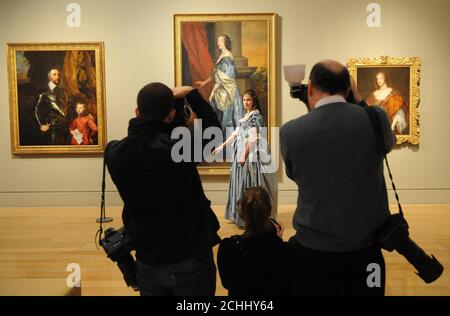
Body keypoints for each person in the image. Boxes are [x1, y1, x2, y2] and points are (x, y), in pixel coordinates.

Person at [280, 60, 396, 296]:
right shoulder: (377, 118)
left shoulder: (291, 131)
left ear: (310, 87)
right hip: (365, 251)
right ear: (349, 88)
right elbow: (386, 144)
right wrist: (361, 100)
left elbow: (295, 173)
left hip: (312, 252)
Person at [105, 83, 221, 296]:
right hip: (191, 256)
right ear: (171, 115)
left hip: (149, 258)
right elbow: (214, 130)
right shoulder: (183, 150)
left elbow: (150, 141)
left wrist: (171, 120)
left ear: (137, 112)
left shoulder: (114, 153)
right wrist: (192, 94)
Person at [213, 89, 278, 228]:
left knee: (249, 181)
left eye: (248, 100)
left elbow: (253, 138)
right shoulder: (246, 116)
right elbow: (236, 133)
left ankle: (252, 217)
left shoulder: (255, 117)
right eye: (243, 100)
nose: (245, 102)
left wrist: (244, 155)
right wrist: (221, 146)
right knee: (239, 181)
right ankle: (242, 215)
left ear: (253, 101)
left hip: (251, 153)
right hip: (241, 152)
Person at [217, 187, 292, 296]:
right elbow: (287, 283)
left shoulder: (228, 247)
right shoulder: (287, 250)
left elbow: (226, 283)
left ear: (242, 213)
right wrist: (278, 242)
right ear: (269, 211)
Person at [195, 34, 244, 132]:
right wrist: (204, 83)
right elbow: (216, 74)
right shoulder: (221, 56)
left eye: (221, 41)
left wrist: (212, 92)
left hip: (228, 92)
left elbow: (224, 78)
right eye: (218, 41)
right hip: (222, 91)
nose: (219, 43)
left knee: (228, 119)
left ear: (226, 42)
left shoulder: (227, 56)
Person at [34, 67, 70, 145]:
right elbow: (36, 110)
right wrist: (41, 125)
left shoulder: (62, 91)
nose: (57, 77)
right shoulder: (43, 91)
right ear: (49, 77)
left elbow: (68, 106)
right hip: (51, 129)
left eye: (58, 74)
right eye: (54, 74)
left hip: (64, 128)